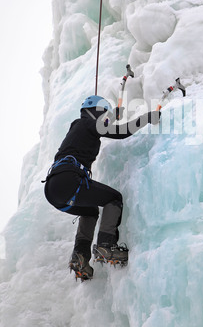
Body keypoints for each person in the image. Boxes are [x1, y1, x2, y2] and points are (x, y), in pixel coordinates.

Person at [44, 95, 160, 280]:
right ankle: (106, 245)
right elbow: (120, 132)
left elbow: (103, 124)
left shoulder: (82, 125)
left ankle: (80, 256)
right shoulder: (87, 123)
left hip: (53, 190)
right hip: (69, 180)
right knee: (114, 199)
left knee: (90, 212)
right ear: (96, 112)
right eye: (104, 113)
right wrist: (147, 118)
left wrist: (113, 115)